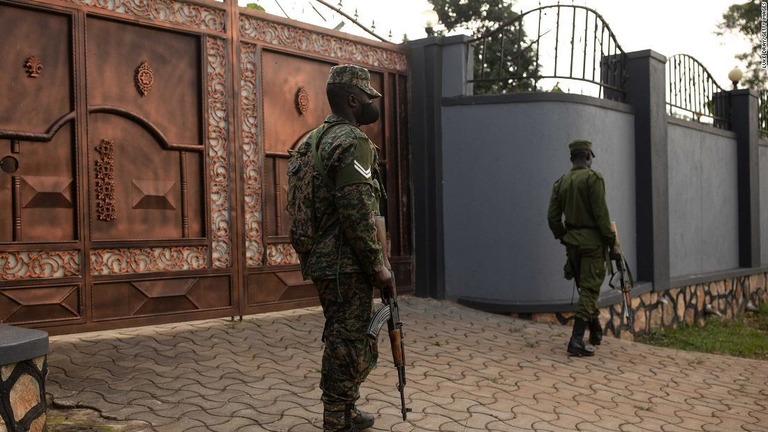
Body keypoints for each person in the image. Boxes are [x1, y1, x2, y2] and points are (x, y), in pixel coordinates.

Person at [300, 64, 394, 431]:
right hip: (346, 262)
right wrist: (378, 264)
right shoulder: (353, 142)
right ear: (353, 99)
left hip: (324, 259)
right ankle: (335, 419)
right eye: (368, 96)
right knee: (347, 340)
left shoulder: (314, 139)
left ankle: (348, 408)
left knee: (346, 332)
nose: (373, 103)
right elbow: (357, 209)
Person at [547, 139, 617, 357]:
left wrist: (564, 236)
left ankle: (595, 331)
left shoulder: (561, 182)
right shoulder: (593, 179)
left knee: (584, 286)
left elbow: (552, 217)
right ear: (588, 157)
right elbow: (601, 215)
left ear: (571, 158)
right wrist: (611, 242)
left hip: (573, 244)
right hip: (592, 244)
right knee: (589, 289)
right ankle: (576, 340)